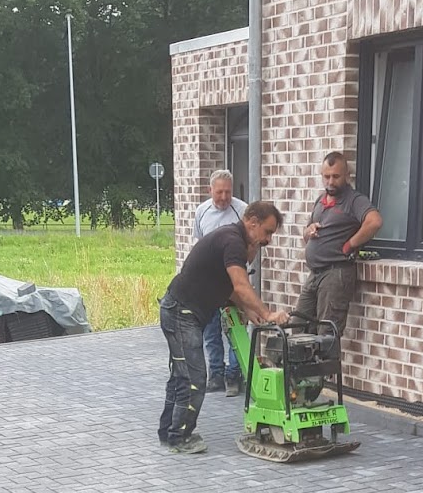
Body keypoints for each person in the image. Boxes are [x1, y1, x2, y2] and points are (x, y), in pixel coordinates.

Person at [158, 200, 290, 455]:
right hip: (181, 312)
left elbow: (227, 286)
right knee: (194, 378)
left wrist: (247, 309)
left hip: (178, 309)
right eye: (267, 232)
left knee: (181, 375)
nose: (268, 240)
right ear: (252, 222)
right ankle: (180, 437)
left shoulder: (231, 238)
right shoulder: (233, 242)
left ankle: (168, 431)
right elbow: (240, 285)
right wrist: (268, 313)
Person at [295, 151, 383, 337]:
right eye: (326, 177)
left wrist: (350, 244)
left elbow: (374, 222)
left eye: (336, 176)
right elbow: (306, 234)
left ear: (347, 176)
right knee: (297, 328)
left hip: (336, 273)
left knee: (326, 335)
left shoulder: (354, 200)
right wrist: (308, 231)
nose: (330, 182)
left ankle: (325, 358)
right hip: (314, 274)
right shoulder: (320, 201)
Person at [191, 170, 247, 396]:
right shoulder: (202, 212)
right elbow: (198, 245)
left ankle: (234, 374)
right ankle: (216, 373)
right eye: (219, 192)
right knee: (211, 330)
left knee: (235, 328)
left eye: (228, 192)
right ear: (210, 190)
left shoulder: (241, 210)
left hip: (232, 280)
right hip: (208, 282)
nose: (224, 197)